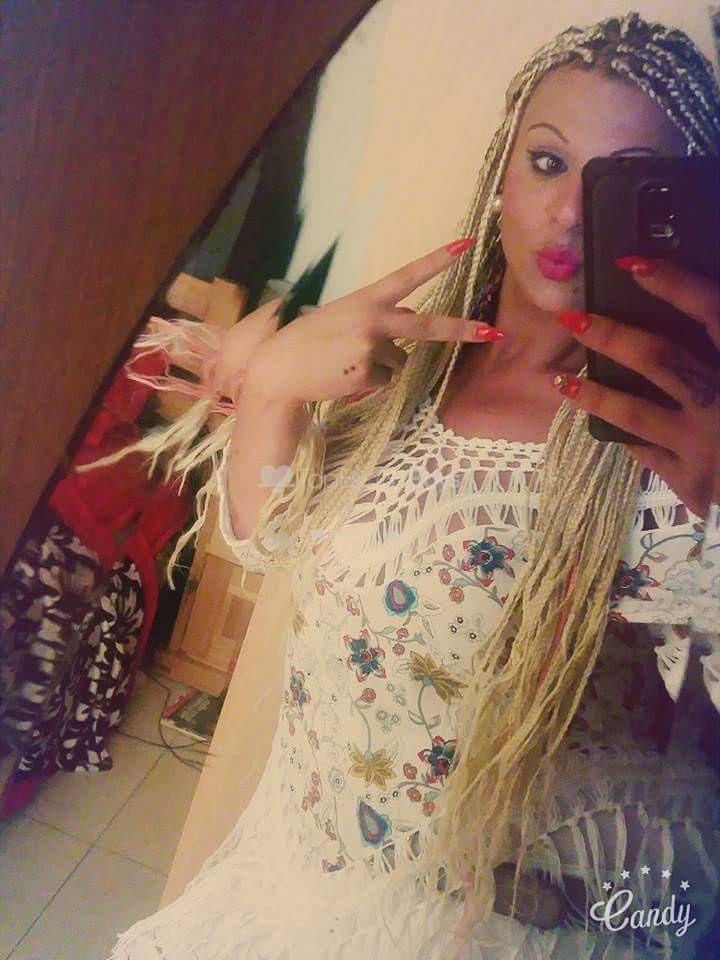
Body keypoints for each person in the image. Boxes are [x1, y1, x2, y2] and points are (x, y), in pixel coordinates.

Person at [105, 10, 720, 960]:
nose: (568, 214)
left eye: (619, 185)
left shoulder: (668, 445)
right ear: (503, 170)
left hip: (481, 927)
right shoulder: (403, 359)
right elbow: (271, 540)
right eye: (547, 163)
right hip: (291, 875)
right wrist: (272, 392)